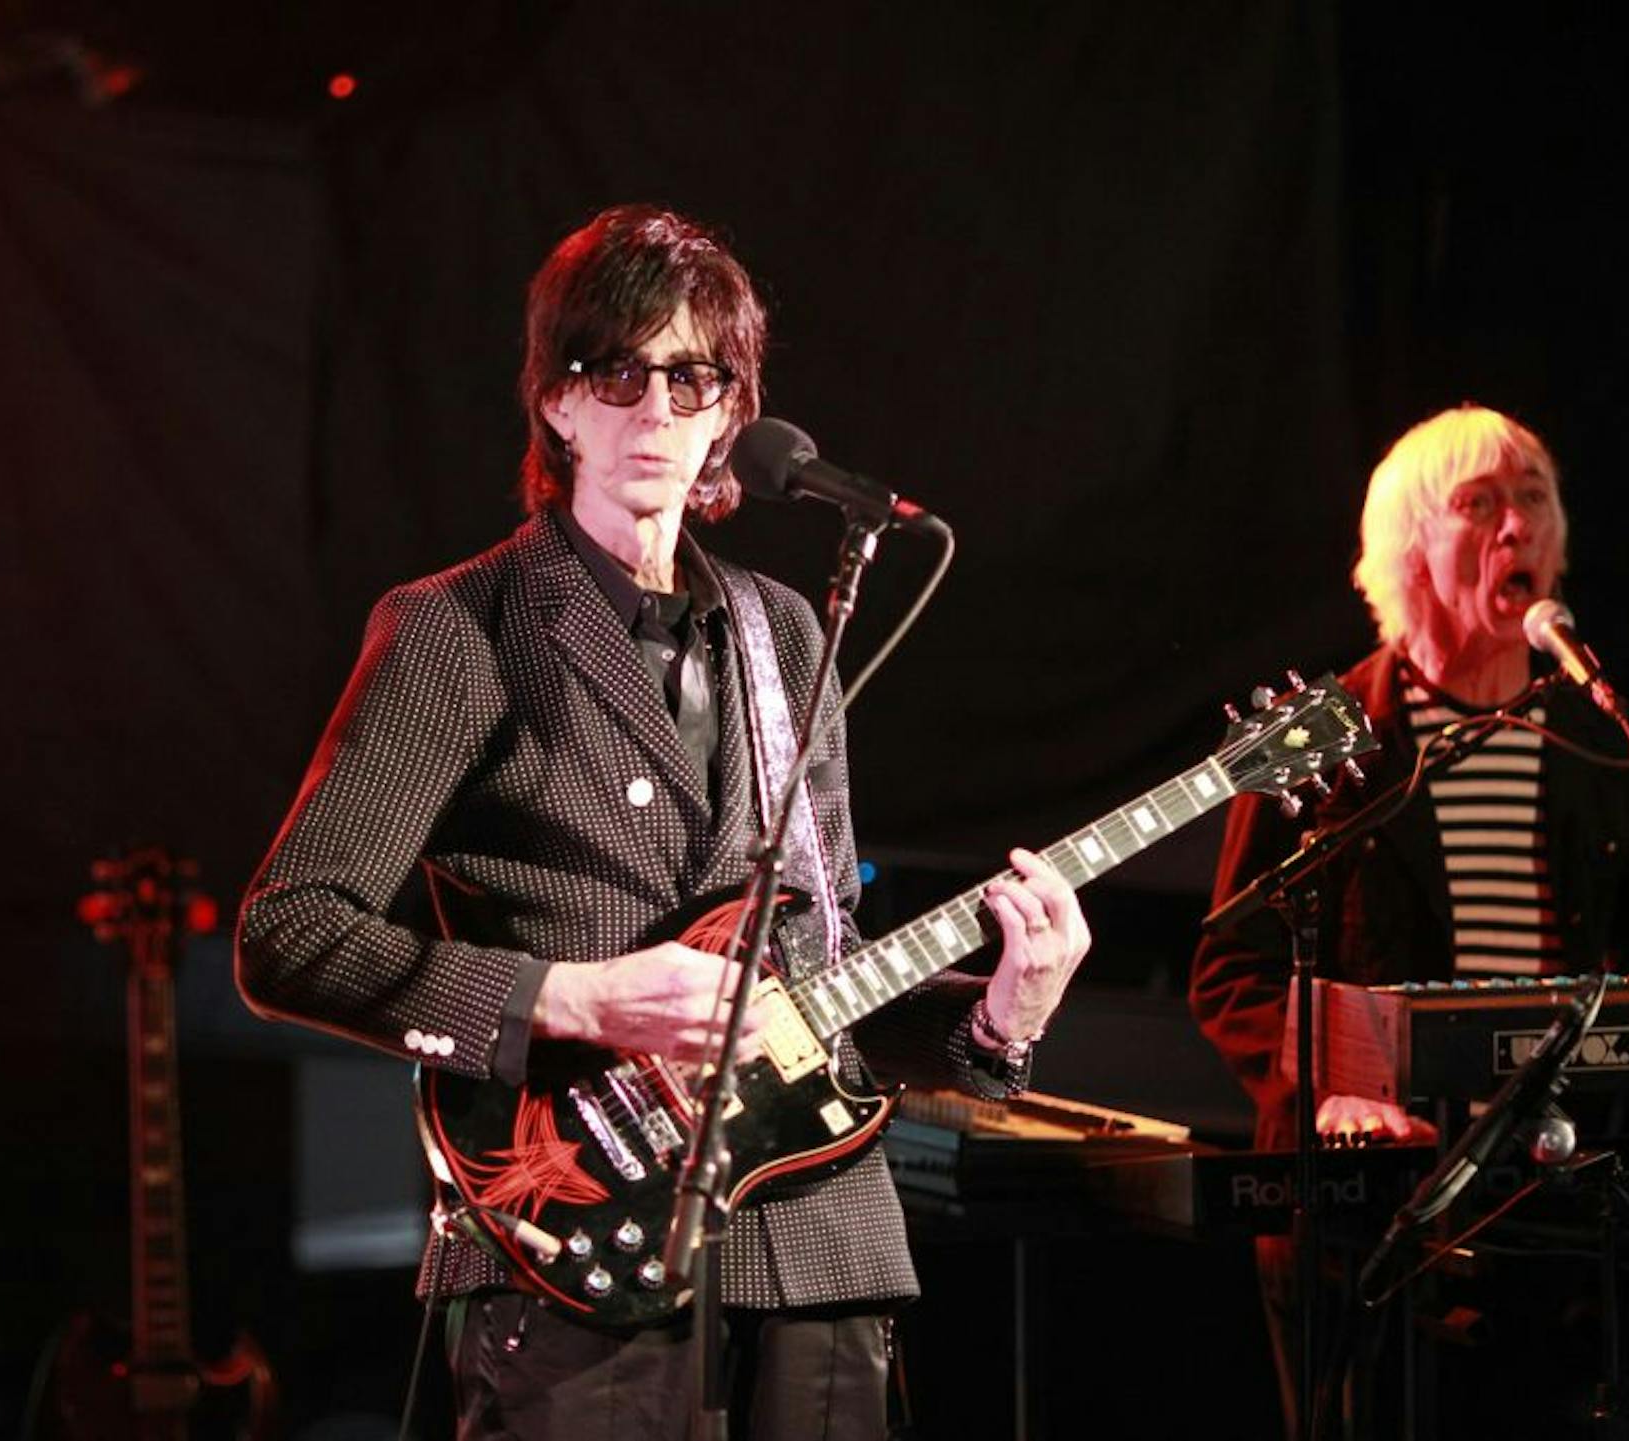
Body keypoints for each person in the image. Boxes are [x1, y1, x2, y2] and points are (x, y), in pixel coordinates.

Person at [235, 204, 1091, 1441]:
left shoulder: (787, 632)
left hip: (818, 1247)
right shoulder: (455, 629)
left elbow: (823, 979)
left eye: (690, 378)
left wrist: (1001, 1018)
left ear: (733, 417)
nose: (655, 409)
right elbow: (287, 935)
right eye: (617, 371)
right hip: (572, 1241)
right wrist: (570, 999)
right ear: (556, 404)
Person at [1189, 403, 1629, 1439]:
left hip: (1552, 1219)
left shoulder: (1595, 742)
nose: (1517, 527)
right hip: (1366, 1221)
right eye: (1480, 505)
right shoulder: (1325, 737)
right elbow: (1230, 970)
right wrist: (1333, 1087)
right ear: (1409, 549)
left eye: (1533, 500)